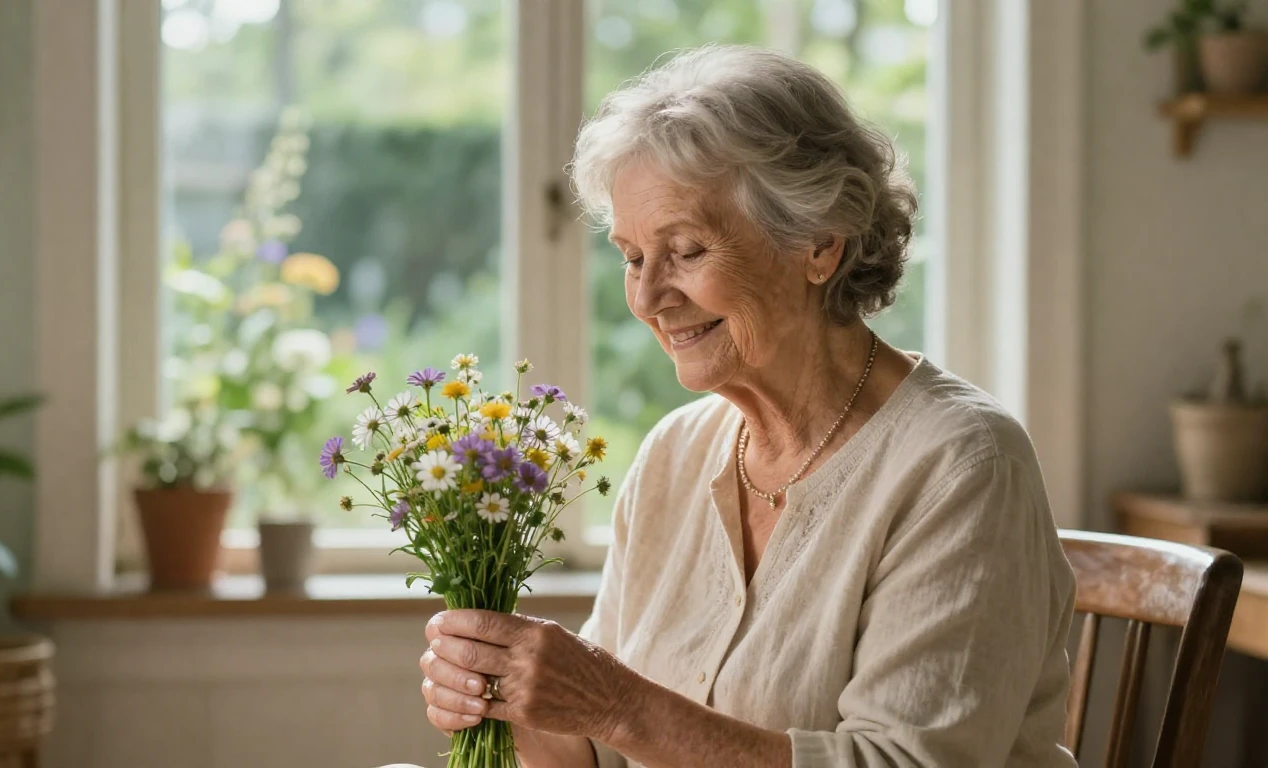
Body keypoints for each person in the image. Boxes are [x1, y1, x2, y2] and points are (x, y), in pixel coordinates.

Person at [417, 44, 1078, 767]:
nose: (647, 298)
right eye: (634, 257)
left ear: (820, 245)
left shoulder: (962, 466)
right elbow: (596, 754)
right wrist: (511, 699)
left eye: (688, 251)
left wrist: (612, 702)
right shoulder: (675, 452)